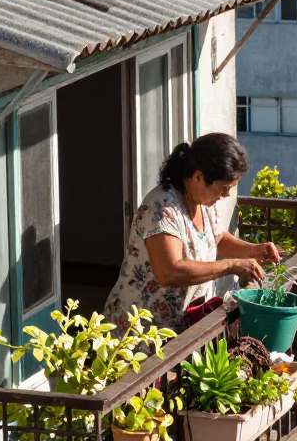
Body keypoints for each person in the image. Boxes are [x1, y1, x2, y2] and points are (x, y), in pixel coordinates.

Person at [104, 133, 281, 332]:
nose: (226, 195)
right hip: (140, 330)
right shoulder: (161, 207)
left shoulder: (203, 202)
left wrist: (255, 250)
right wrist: (231, 265)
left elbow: (217, 239)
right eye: (224, 188)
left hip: (178, 327)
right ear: (198, 177)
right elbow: (170, 272)